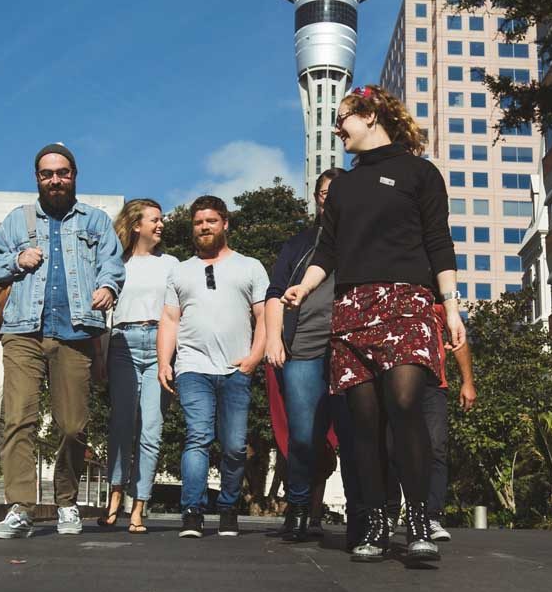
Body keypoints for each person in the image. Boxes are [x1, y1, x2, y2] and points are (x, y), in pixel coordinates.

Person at [283, 85, 465, 565]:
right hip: (353, 308)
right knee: (364, 425)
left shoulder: (419, 173)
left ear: (369, 115)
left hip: (407, 302)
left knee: (405, 405)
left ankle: (421, 521)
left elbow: (438, 242)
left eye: (343, 117)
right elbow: (329, 250)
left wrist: (450, 305)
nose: (336, 127)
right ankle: (377, 523)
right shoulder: (343, 186)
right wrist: (305, 285)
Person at [0, 144, 125, 539]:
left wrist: (109, 286)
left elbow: (112, 263)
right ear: (37, 179)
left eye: (62, 172)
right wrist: (15, 261)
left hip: (75, 331)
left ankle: (66, 501)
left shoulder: (95, 221)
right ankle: (20, 508)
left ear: (74, 175)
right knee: (18, 418)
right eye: (47, 174)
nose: (55, 180)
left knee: (74, 425)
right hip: (22, 330)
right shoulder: (17, 221)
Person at [157, 195, 268, 538]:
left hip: (237, 368)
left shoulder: (250, 266)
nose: (204, 227)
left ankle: (229, 508)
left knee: (234, 445)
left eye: (211, 221)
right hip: (193, 366)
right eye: (198, 222)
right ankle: (192, 510)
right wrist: (165, 361)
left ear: (225, 224)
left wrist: (254, 357)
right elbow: (170, 319)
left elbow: (264, 315)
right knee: (198, 437)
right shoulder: (181, 270)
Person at [264, 169, 362, 546]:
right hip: (303, 346)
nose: (329, 197)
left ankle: (361, 514)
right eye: (323, 192)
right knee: (302, 437)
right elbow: (275, 292)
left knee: (355, 436)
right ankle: (300, 508)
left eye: (337, 192)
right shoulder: (299, 244)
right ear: (317, 198)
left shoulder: (361, 241)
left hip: (350, 347)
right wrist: (274, 338)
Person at [98, 198, 178, 533]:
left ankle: (139, 505)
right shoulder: (115, 263)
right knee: (121, 425)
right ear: (136, 225)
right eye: (155, 220)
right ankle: (115, 497)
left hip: (159, 344)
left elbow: (176, 313)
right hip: (122, 344)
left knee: (151, 430)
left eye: (162, 220)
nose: (161, 225)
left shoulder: (172, 264)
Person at [387, 303, 478, 542]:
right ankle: (390, 512)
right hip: (394, 382)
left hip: (433, 385)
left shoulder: (437, 301)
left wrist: (467, 382)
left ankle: (431, 516)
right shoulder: (391, 294)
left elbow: (458, 339)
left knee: (436, 446)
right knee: (391, 447)